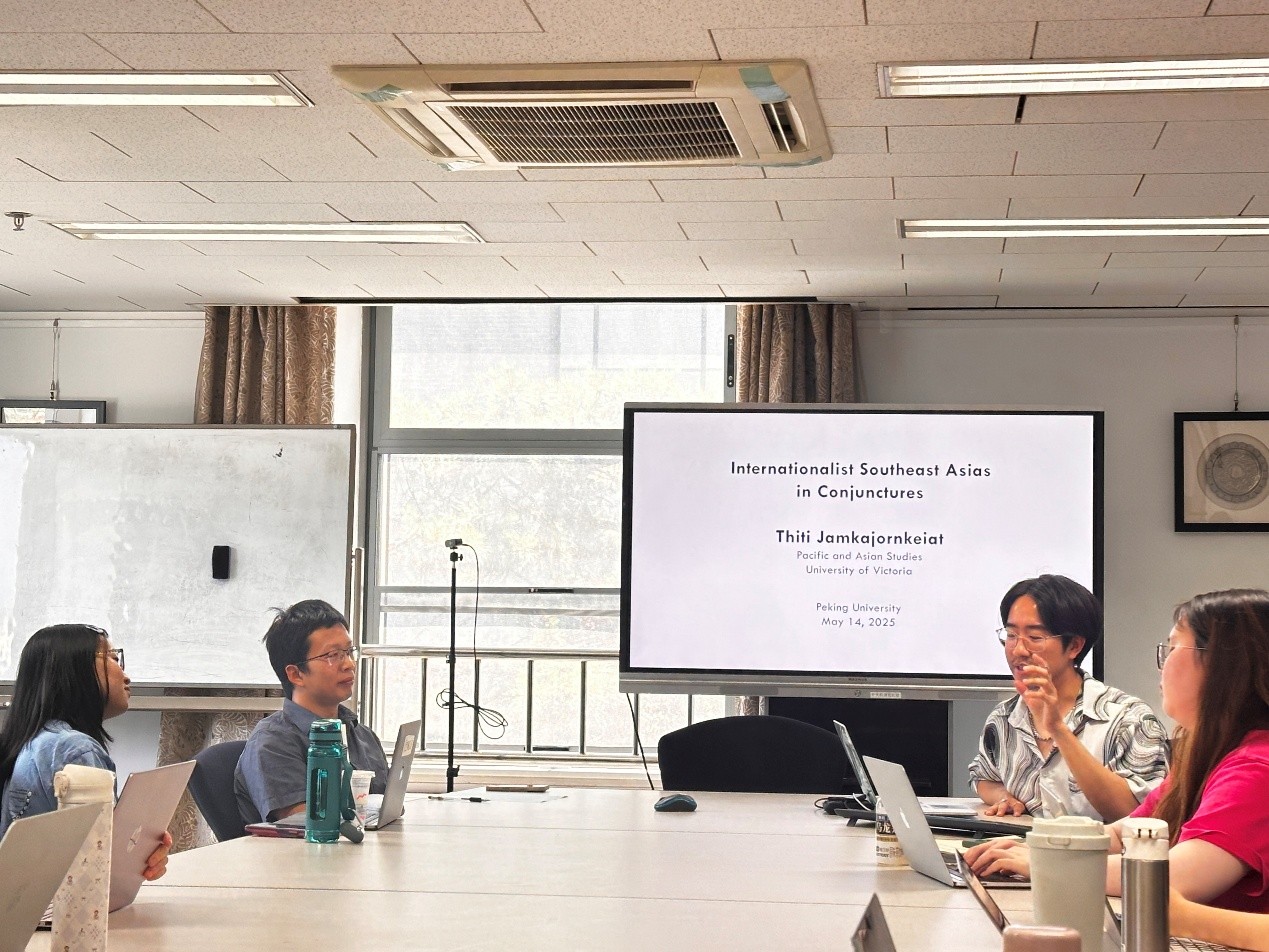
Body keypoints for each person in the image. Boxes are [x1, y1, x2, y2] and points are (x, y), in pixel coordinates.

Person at [967, 589, 1269, 913]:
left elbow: (1175, 878)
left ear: (1223, 666)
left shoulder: (1255, 768)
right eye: (1011, 635)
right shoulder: (1214, 756)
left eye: (1172, 648)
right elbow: (1123, 833)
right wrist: (1034, 848)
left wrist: (1043, 862)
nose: (1162, 665)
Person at [969, 575, 1169, 822]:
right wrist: (1003, 797)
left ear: (1074, 646)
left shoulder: (1129, 720)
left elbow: (1139, 814)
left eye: (1035, 638)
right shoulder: (1004, 717)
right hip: (1020, 845)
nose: (1018, 650)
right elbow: (983, 777)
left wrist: (1059, 730)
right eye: (1011, 635)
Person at [0, 624, 170, 879]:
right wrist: (138, 856)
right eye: (113, 658)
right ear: (74, 670)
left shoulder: (35, 741)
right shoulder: (75, 750)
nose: (126, 676)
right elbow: (99, 871)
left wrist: (142, 853)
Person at [235, 599, 388, 824]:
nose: (349, 664)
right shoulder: (272, 744)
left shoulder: (362, 735)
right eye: (332, 655)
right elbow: (307, 823)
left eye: (349, 651)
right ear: (296, 674)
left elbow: (386, 811)